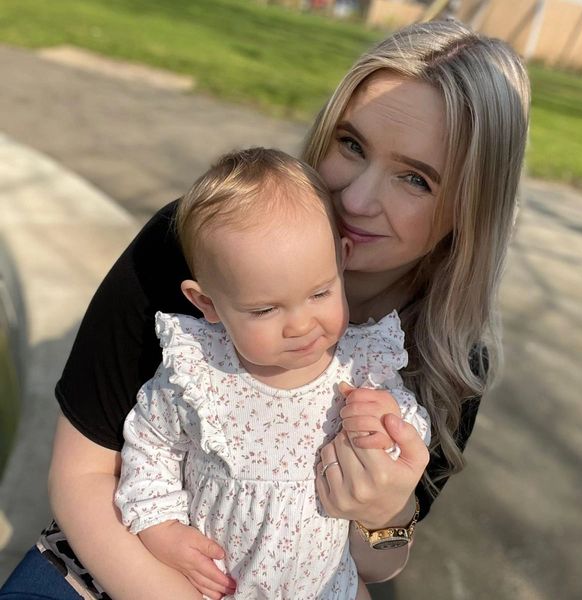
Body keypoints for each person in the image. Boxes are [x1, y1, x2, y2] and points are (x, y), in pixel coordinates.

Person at [0, 18, 529, 600]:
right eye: (352, 145)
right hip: (115, 565)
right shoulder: (200, 247)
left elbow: (375, 567)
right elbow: (81, 476)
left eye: (415, 179)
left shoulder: (450, 357)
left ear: (470, 210)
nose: (355, 199)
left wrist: (387, 511)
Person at [113, 147, 431, 600]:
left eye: (320, 293)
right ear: (207, 303)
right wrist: (161, 528)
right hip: (217, 585)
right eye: (264, 309)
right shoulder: (197, 373)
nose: (301, 325)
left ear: (341, 261)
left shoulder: (362, 368)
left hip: (327, 589)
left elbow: (411, 435)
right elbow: (150, 447)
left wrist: (385, 425)